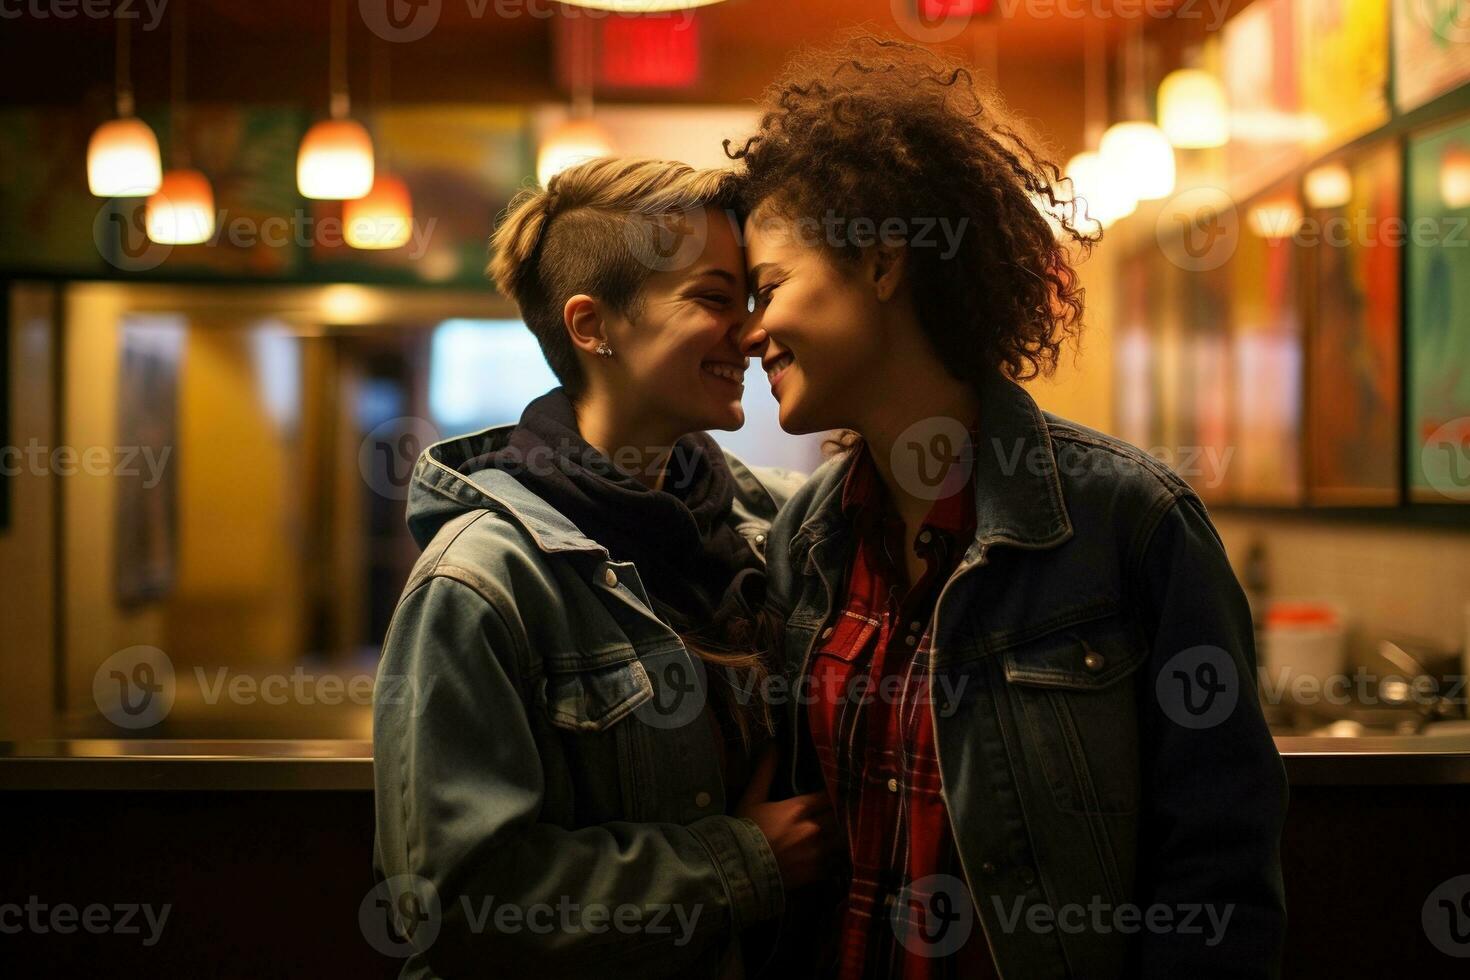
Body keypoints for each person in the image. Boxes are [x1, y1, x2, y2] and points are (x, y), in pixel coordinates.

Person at [729, 35, 1288, 979]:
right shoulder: (808, 539)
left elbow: (1218, 871)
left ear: (880, 263)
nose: (749, 333)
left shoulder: (1128, 523)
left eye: (767, 288)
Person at [372, 157, 836, 979]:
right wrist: (741, 861)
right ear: (593, 326)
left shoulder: (771, 522)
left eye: (751, 300)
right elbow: (454, 904)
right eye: (713, 300)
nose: (753, 331)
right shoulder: (480, 581)